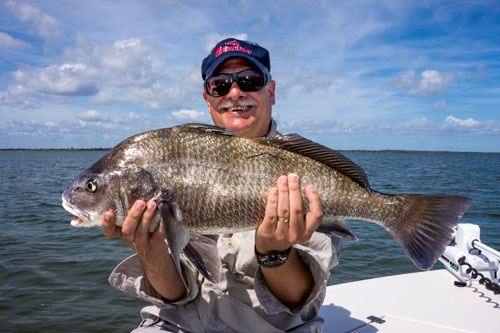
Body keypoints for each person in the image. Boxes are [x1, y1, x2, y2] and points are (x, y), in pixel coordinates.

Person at [102, 38, 340, 332]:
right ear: (208, 98)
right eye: (220, 85)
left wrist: (273, 253)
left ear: (271, 91)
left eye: (250, 80)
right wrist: (150, 251)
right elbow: (174, 296)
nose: (236, 92)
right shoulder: (174, 169)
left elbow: (298, 298)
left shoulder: (304, 173)